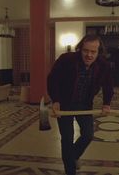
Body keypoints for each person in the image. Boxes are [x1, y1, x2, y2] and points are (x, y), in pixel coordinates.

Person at [47, 34, 114, 175]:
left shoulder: (103, 65)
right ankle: (70, 172)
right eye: (85, 51)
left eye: (93, 52)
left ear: (98, 52)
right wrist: (56, 100)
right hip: (64, 105)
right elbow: (52, 80)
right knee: (67, 139)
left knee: (88, 135)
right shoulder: (66, 60)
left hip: (85, 105)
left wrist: (106, 103)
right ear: (80, 49)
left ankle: (73, 157)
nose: (89, 55)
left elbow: (108, 85)